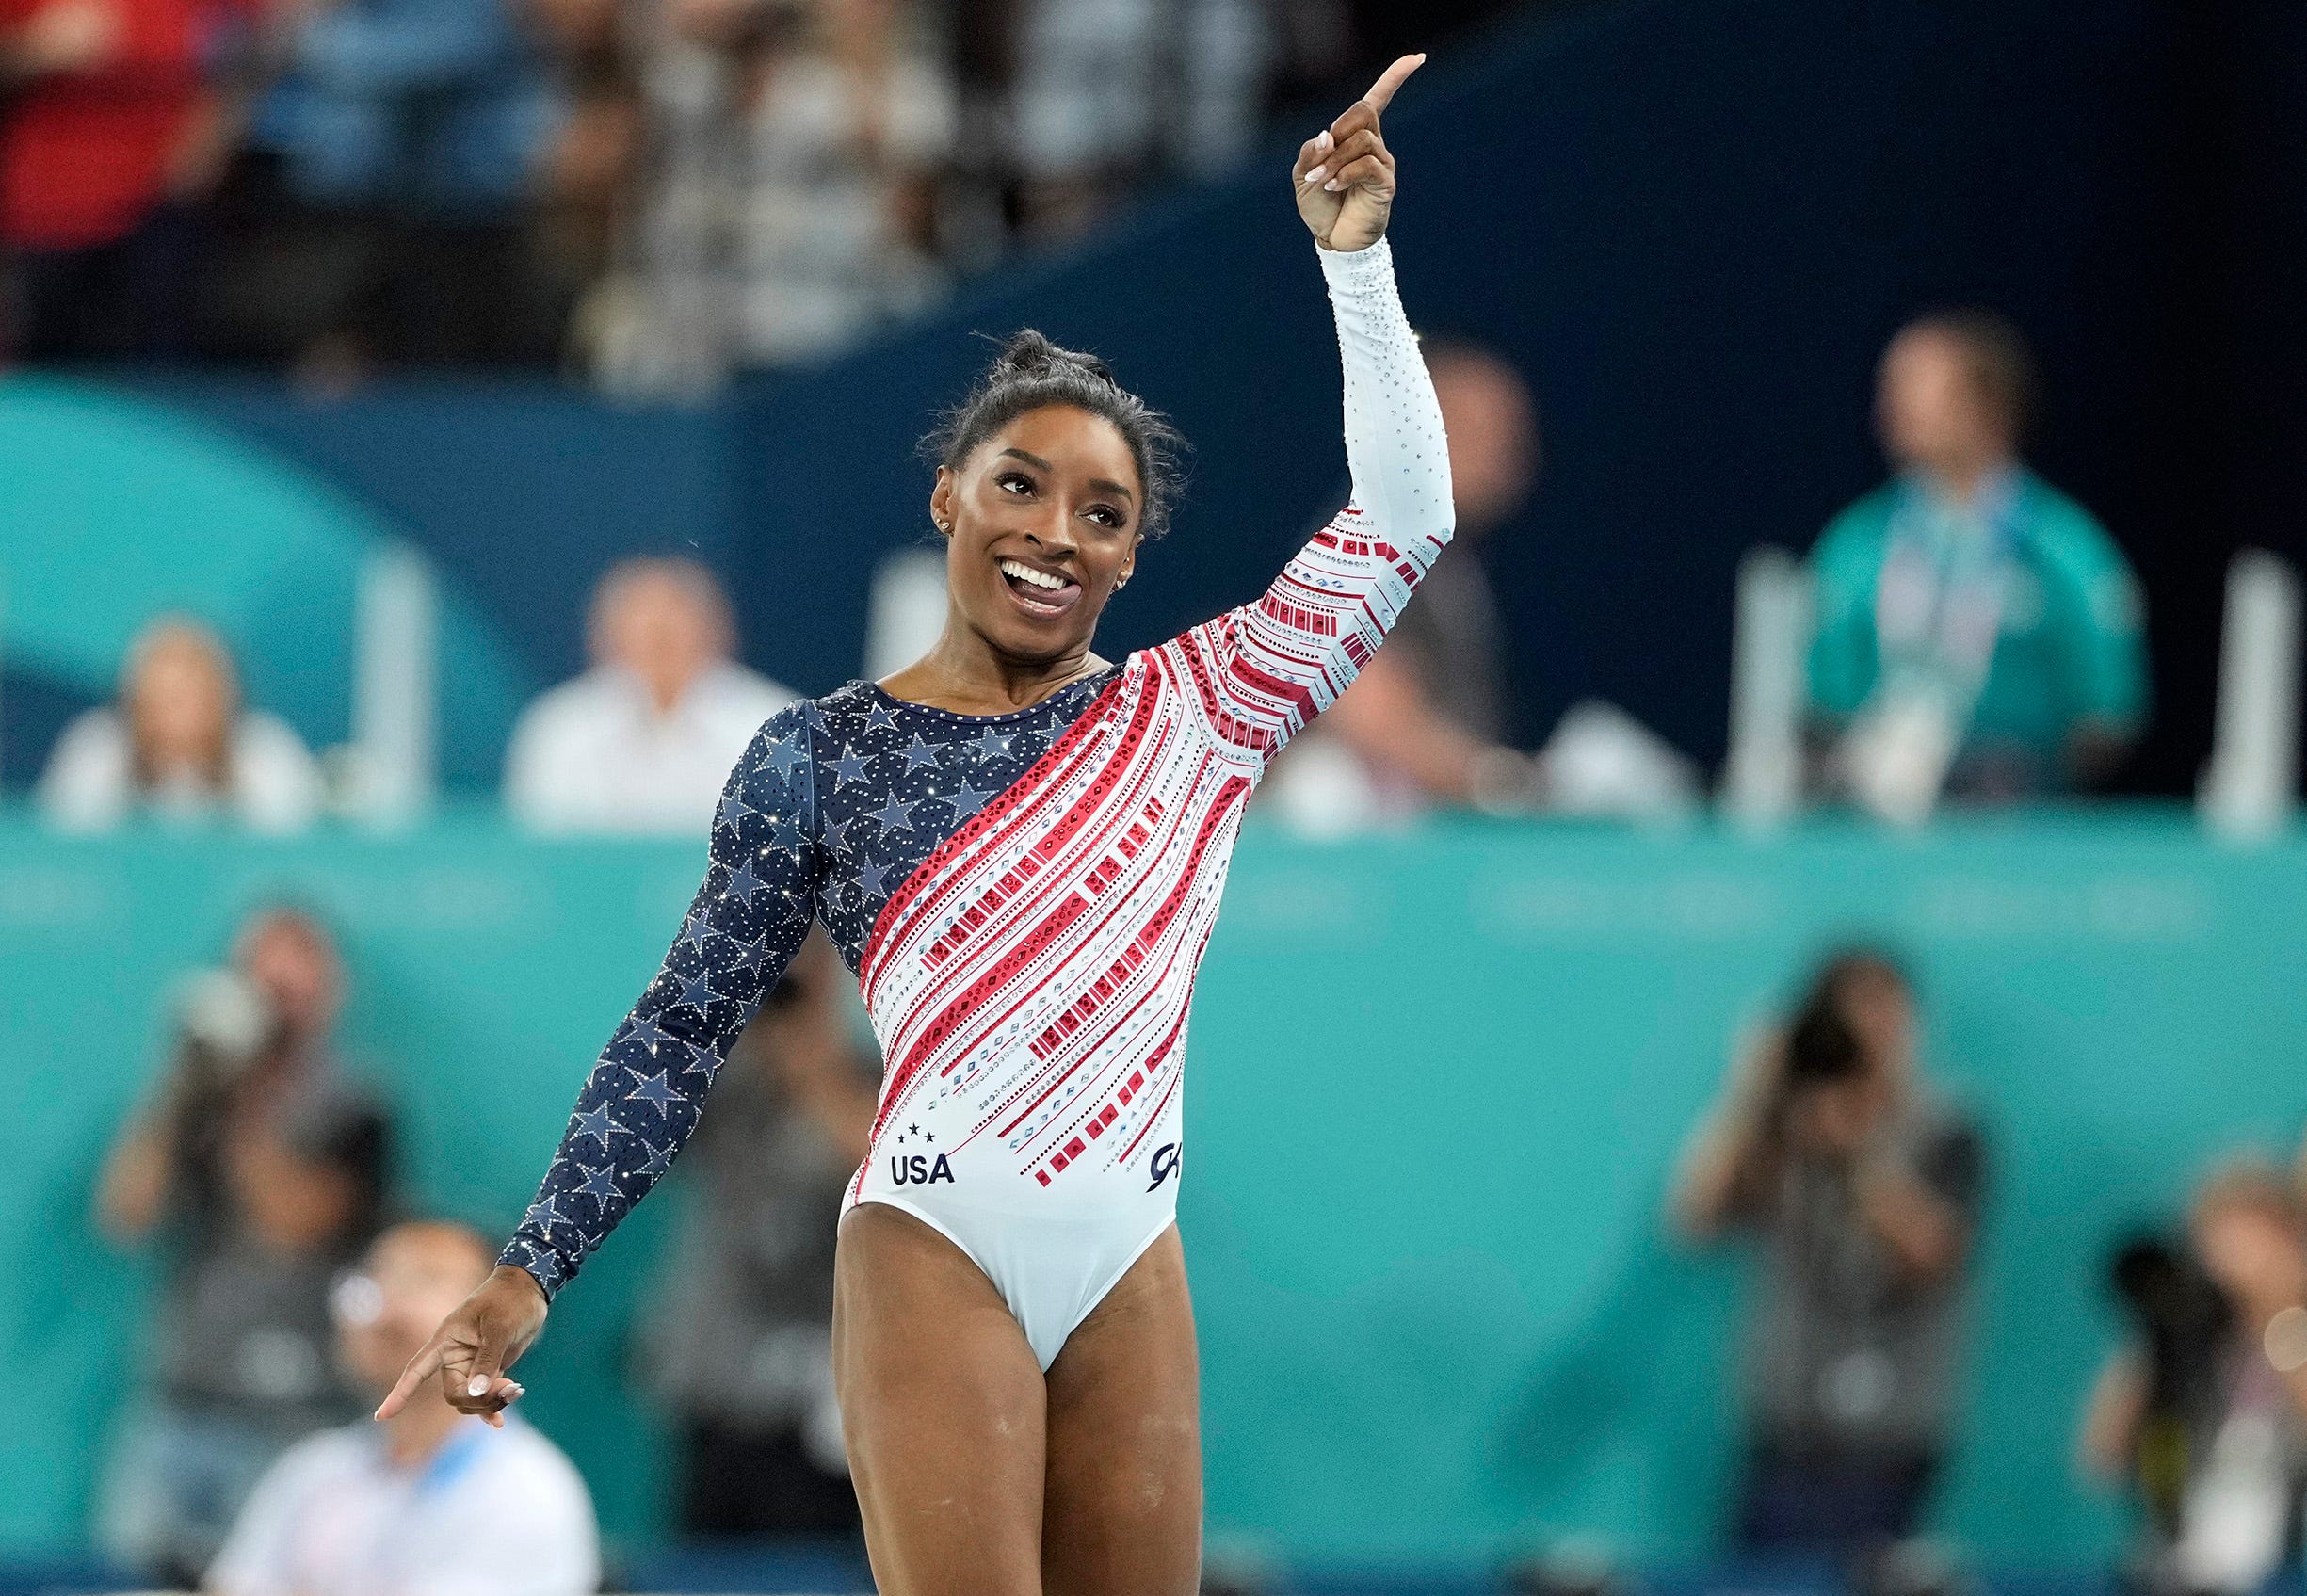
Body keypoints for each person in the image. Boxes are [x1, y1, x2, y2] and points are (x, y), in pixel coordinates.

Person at [382, 56, 1444, 1594]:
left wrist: (1355, 265)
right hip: (934, 1243)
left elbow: (1404, 519)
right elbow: (681, 1031)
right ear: (948, 497)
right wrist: (525, 1272)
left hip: (1129, 1252)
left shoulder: (1202, 708)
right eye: (1021, 486)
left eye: (1102, 514)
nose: (1055, 534)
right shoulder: (820, 754)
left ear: (1132, 557)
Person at [96, 904, 395, 1586]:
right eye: (263, 987)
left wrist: (245, 1099)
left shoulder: (357, 1104)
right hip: (180, 1406)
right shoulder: (196, 1097)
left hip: (293, 1422)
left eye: (293, 990)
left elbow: (292, 1225)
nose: (277, 1009)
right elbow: (125, 1213)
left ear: (329, 993)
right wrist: (184, 1085)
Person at [1671, 947, 1986, 1556]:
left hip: (1889, 1429)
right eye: (1852, 1018)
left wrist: (1854, 1148)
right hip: (1784, 1424)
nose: (1869, 1036)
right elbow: (1695, 1219)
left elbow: (1936, 1253)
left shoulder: (1948, 1126)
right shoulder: (1784, 1129)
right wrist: (1751, 1095)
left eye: (1885, 1016)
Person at [1806, 312, 2149, 818]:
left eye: (1917, 389)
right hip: (1875, 827)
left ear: (1987, 405)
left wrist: (2018, 774)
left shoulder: (2063, 547)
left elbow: (2107, 714)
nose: (1891, 407)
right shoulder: (1856, 543)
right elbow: (1822, 704)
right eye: (1890, 389)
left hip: (2026, 831)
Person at [206, 1220, 599, 1596]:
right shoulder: (312, 1470)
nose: (388, 1308)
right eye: (376, 1278)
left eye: (426, 1281)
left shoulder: (526, 1490)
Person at [641, 930, 878, 1537]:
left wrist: (812, 1070)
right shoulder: (717, 1079)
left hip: (833, 1387)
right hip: (720, 1384)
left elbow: (887, 1176)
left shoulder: (877, 1077)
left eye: (801, 961)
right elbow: (636, 1133)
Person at [1271, 337, 1541, 819]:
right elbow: (1367, 712)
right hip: (1350, 832)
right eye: (1472, 431)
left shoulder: (1451, 561)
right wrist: (1498, 782)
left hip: (1436, 824)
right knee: (1327, 783)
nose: (1502, 452)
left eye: (1510, 434)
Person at [2080, 1162, 2307, 1596]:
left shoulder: (2293, 1331)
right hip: (2176, 1566)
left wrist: (2277, 1310)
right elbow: (2103, 1456)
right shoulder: (2187, 1346)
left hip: (2282, 1568)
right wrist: (2158, 1338)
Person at [0, 0, 234, 360]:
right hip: (44, 220)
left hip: (159, 215)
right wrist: (33, 48)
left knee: (151, 368)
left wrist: (216, 122)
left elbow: (236, 53)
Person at [504, 557, 797, 834]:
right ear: (604, 637)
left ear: (713, 630)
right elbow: (534, 845)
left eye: (671, 626)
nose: (657, 640)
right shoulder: (560, 727)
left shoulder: (775, 724)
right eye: (641, 627)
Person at [39, 616, 324, 832]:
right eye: (163, 695)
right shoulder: (96, 751)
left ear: (223, 695)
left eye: (191, 694)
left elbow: (293, 857)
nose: (177, 711)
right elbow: (66, 855)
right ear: (134, 699)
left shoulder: (266, 751)